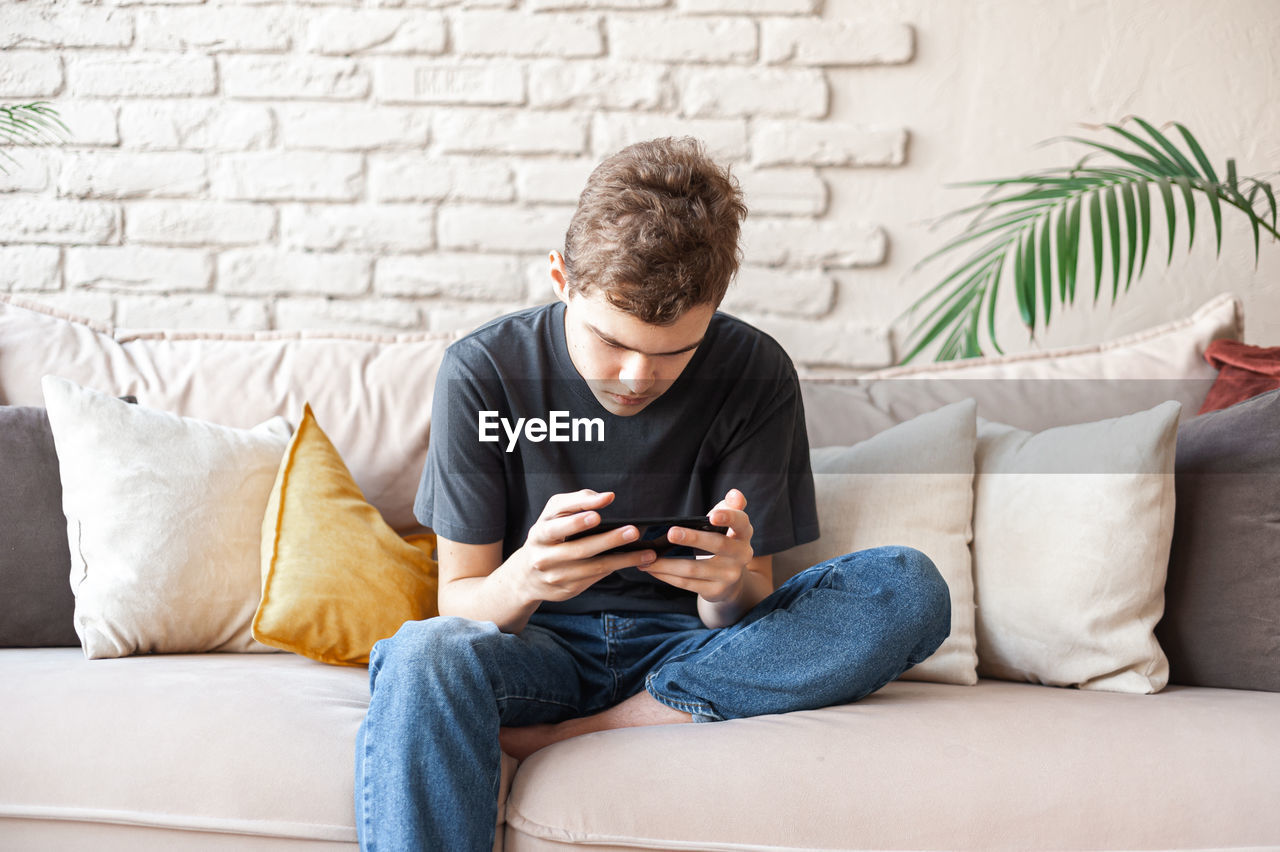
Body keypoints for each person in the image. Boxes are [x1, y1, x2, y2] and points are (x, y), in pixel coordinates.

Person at [354, 136, 951, 851]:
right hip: (542, 649)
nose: (638, 376)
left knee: (908, 587)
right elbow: (461, 599)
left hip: (697, 649)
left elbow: (747, 605)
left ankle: (581, 735)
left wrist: (726, 586)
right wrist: (524, 578)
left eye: (672, 353)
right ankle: (615, 718)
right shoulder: (483, 371)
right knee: (423, 654)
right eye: (611, 341)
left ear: (715, 305)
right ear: (560, 279)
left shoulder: (754, 371)